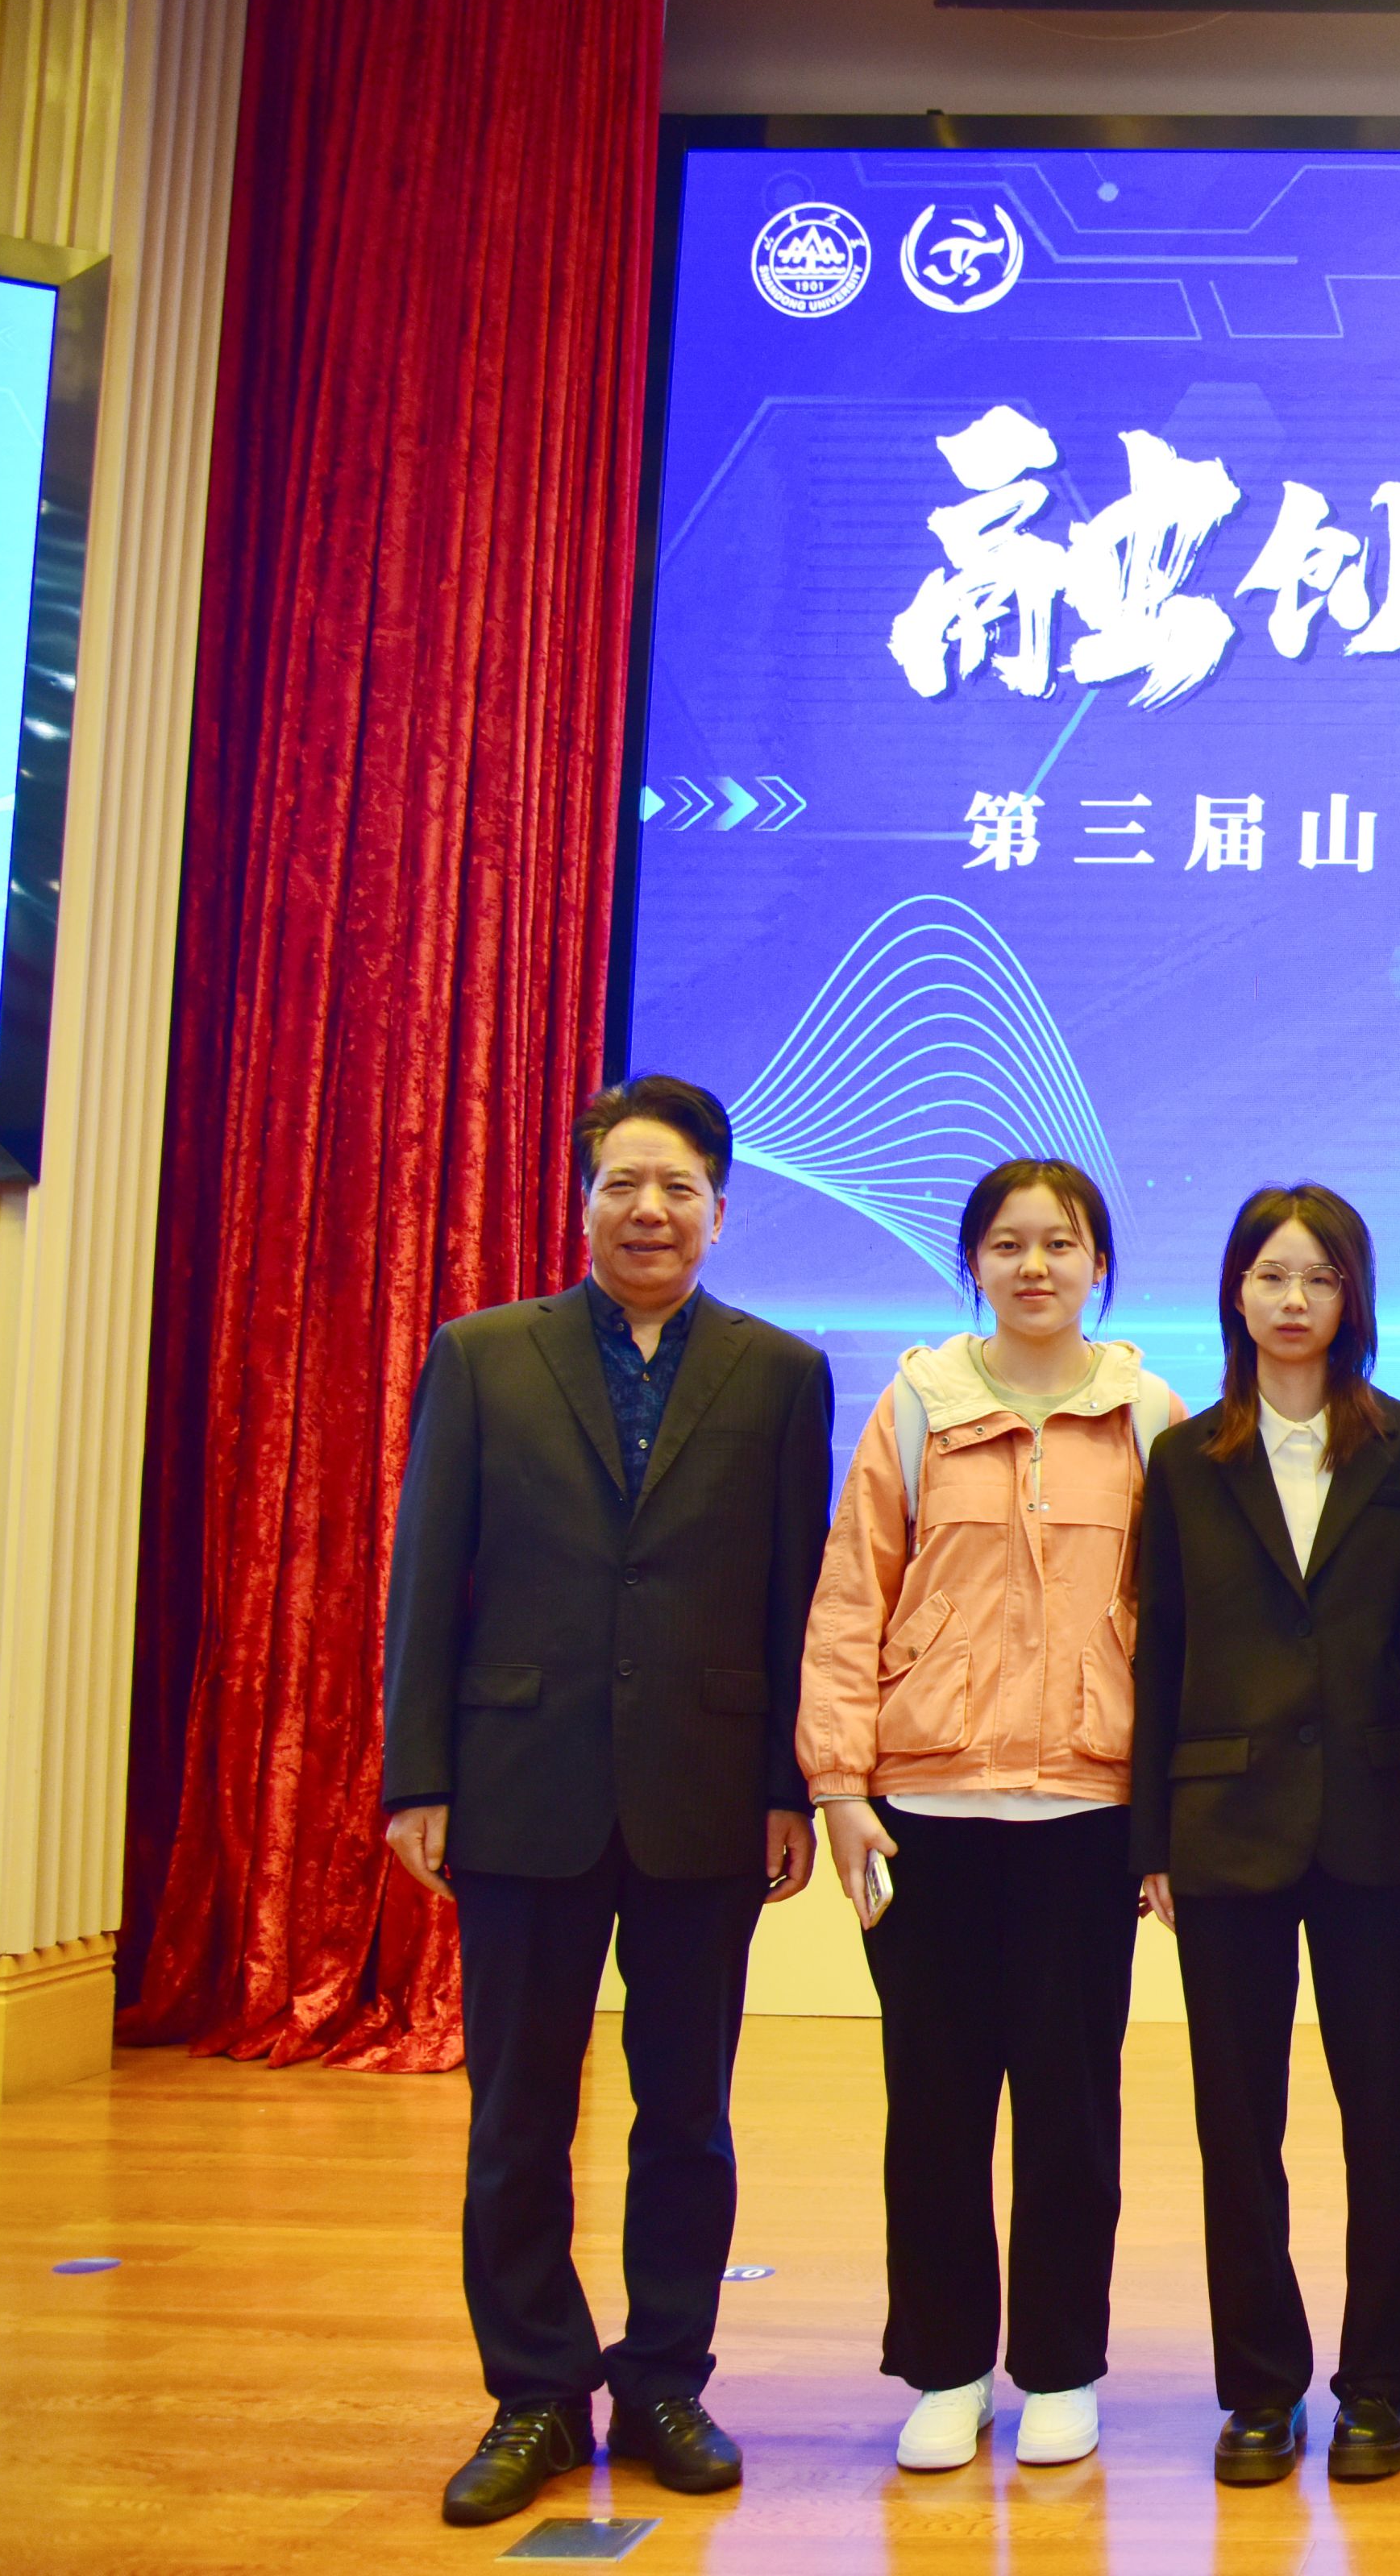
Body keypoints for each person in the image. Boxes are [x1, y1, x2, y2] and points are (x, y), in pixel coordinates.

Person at [380, 1076, 833, 2527]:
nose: (650, 1210)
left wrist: (789, 1785)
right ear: (582, 1201)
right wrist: (419, 1774)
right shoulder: (484, 1356)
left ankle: (663, 2382)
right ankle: (531, 2390)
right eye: (622, 1184)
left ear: (720, 1211)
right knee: (518, 2111)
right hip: (520, 1786)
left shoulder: (780, 1373)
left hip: (707, 1795)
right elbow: (427, 1570)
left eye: (678, 1188)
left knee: (686, 2113)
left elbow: (795, 1595)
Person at [796, 1159, 1184, 2475]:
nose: (1035, 1267)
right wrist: (840, 1788)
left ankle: (1063, 2366)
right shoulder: (917, 1405)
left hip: (1087, 1814)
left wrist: (1165, 1820)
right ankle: (947, 2366)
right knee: (936, 2107)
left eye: (1060, 1244)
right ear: (972, 1262)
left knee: (1072, 2110)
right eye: (1009, 1244)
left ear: (1099, 1267)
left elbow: (1181, 1633)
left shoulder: (1149, 1415)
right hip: (928, 1815)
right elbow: (852, 1598)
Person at [1128, 1184, 1400, 2490]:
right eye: (1272, 1275)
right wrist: (1149, 1836)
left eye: (1320, 1277)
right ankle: (1259, 2389)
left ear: (1353, 1298)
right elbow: (1160, 1648)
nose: (1295, 1299)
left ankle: (1380, 2385)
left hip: (1381, 1827)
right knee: (1236, 2128)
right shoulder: (1184, 1458)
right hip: (1225, 1828)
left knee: (1389, 2123)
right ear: (1237, 1294)